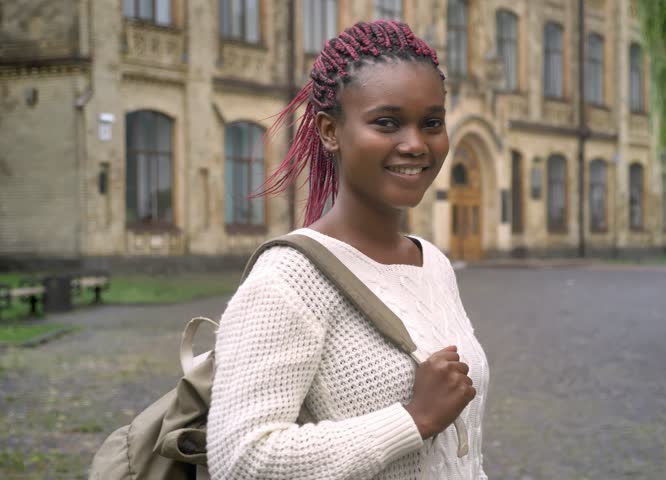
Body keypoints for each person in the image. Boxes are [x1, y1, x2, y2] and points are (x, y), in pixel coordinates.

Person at [207, 19, 490, 480]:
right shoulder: (289, 280)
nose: (416, 144)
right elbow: (240, 461)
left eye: (432, 123)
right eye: (387, 122)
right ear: (329, 131)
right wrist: (413, 419)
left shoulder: (433, 263)